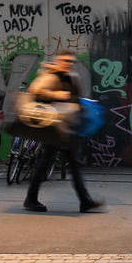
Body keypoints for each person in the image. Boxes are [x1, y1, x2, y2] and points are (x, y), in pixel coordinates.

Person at [22, 51, 104, 213]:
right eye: (65, 60)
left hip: (69, 127)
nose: (68, 63)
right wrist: (56, 94)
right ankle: (31, 199)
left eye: (71, 61)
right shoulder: (51, 76)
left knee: (73, 165)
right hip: (54, 128)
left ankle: (85, 201)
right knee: (45, 164)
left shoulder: (71, 76)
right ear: (58, 61)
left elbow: (75, 99)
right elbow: (34, 90)